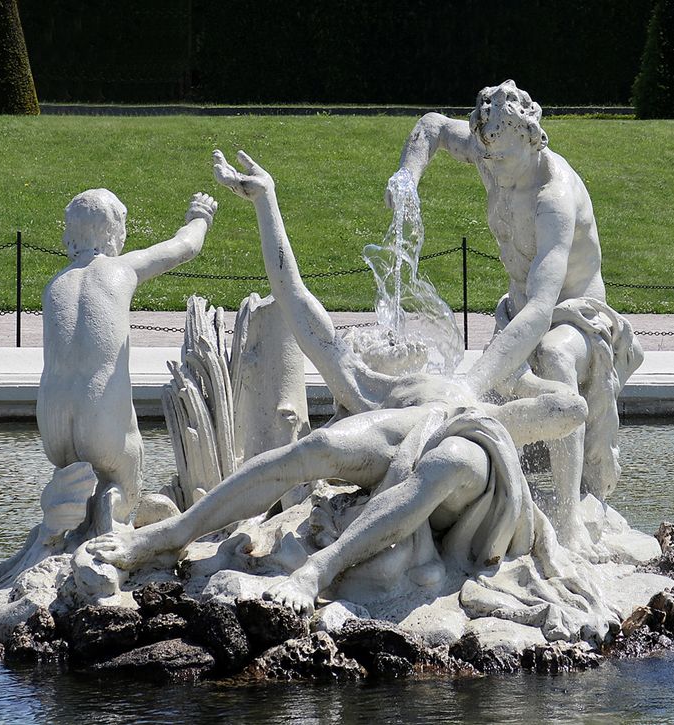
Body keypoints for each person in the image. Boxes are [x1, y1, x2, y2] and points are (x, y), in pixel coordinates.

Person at [88, 151, 588, 615]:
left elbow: (571, 408)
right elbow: (294, 297)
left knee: (452, 458)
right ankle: (172, 533)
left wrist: (521, 383)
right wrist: (267, 201)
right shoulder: (368, 387)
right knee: (319, 445)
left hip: (470, 446)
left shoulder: (469, 382)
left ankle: (318, 572)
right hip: (403, 440)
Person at [391, 81, 643, 555]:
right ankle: (497, 495)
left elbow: (543, 309)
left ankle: (568, 518)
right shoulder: (493, 148)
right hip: (519, 310)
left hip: (577, 316)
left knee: (551, 356)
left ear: (532, 139)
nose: (492, 168)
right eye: (486, 157)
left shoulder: (553, 197)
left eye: (501, 159)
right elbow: (433, 128)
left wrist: (469, 382)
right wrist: (407, 176)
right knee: (501, 386)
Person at [38, 188, 217, 536]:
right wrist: (200, 215)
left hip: (52, 422)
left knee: (73, 472)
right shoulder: (122, 269)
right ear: (113, 232)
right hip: (100, 420)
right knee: (125, 474)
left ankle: (65, 522)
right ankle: (114, 514)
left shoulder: (54, 285)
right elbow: (185, 246)